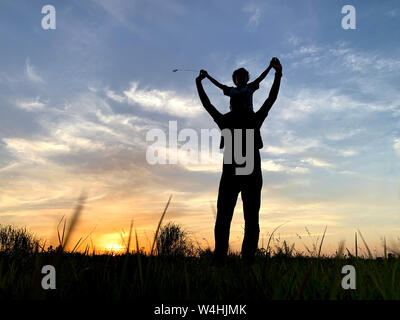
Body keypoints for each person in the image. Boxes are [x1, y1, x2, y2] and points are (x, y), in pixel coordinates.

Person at [195, 57, 282, 263]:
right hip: (240, 173)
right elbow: (270, 99)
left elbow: (207, 104)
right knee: (239, 219)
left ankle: (233, 260)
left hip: (240, 174)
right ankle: (235, 260)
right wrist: (277, 74)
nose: (238, 101)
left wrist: (199, 83)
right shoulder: (246, 119)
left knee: (236, 218)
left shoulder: (233, 120)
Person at [202, 61, 272, 112]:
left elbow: (260, 78)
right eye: (238, 78)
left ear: (247, 79)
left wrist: (270, 67)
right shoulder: (231, 90)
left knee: (248, 132)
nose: (241, 79)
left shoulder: (249, 87)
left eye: (243, 77)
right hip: (235, 118)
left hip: (249, 118)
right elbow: (218, 84)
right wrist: (207, 76)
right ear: (235, 81)